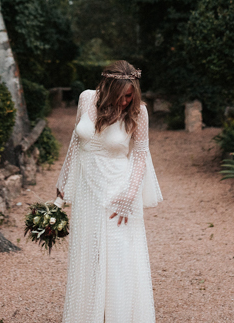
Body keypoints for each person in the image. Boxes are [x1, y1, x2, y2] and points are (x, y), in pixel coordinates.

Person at [56, 60, 163, 323]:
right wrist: (63, 182)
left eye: (131, 95)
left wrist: (129, 196)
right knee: (89, 256)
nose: (127, 101)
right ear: (109, 88)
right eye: (123, 95)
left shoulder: (139, 113)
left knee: (118, 260)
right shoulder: (86, 99)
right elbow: (75, 141)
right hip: (87, 192)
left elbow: (140, 156)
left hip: (119, 191)